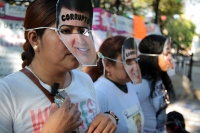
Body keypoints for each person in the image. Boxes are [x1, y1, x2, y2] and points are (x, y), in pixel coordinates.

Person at [0, 0, 117, 133]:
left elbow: (101, 120)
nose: (79, 41)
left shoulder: (85, 80)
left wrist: (110, 117)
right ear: (34, 39)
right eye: (65, 31)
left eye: (83, 31)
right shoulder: (6, 94)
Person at [84, 35, 144, 133]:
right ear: (107, 64)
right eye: (127, 61)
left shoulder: (128, 85)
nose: (135, 67)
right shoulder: (99, 93)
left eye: (136, 60)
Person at [134, 34, 175, 133]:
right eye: (166, 54)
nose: (170, 58)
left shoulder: (158, 78)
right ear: (153, 56)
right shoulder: (142, 84)